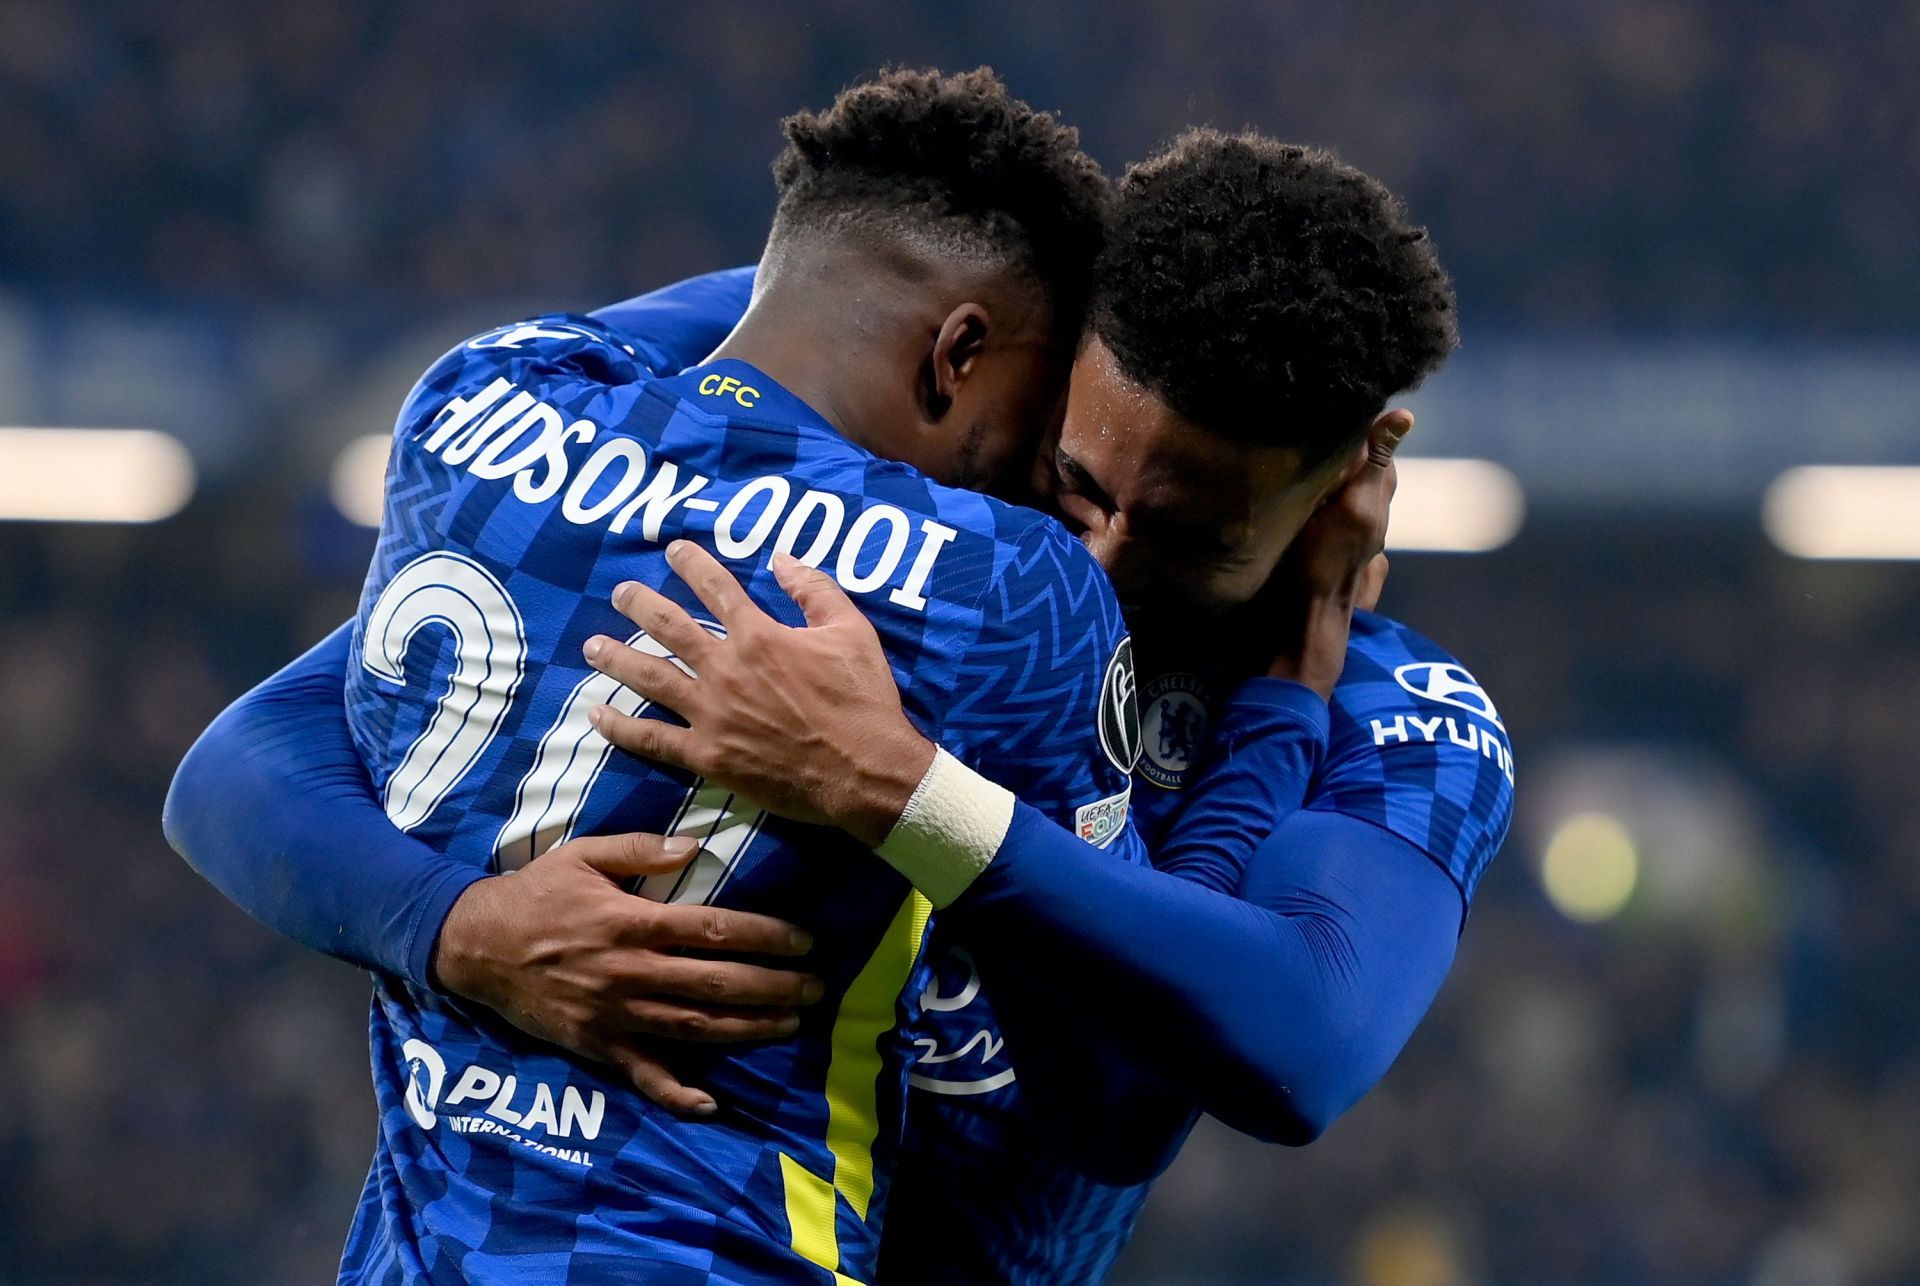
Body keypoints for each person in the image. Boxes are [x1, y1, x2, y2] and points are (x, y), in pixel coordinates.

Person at [171, 127, 1512, 1283]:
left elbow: (1296, 1040)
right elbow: (253, 757)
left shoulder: (1392, 715)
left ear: (1355, 473)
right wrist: (459, 928)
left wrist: (919, 785)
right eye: (1073, 482)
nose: (1099, 560)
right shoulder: (894, 547)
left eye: (1186, 536)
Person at [171, 67, 1138, 1285]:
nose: (1036, 475)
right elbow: (1125, 1068)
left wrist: (455, 926)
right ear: (957, 353)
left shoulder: (474, 404)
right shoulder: (1002, 580)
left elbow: (227, 773)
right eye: (1038, 422)